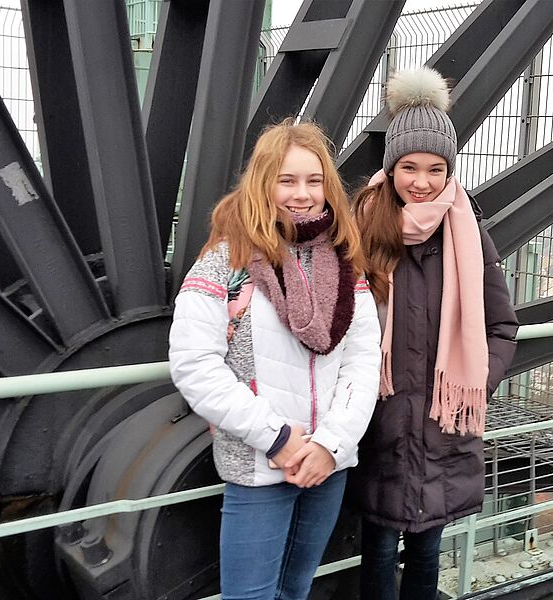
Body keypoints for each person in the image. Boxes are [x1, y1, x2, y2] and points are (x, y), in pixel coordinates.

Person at [168, 119, 381, 600]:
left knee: (296, 590)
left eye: (314, 180)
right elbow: (194, 364)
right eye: (287, 180)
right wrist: (277, 438)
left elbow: (362, 362)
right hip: (258, 463)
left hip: (327, 464)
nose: (302, 194)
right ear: (263, 184)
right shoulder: (227, 261)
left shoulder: (346, 264)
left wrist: (330, 444)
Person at [349, 67, 519, 600]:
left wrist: (471, 386)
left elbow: (502, 325)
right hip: (378, 423)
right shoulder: (360, 229)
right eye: (409, 167)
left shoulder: (468, 234)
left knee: (426, 552)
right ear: (391, 167)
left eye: (435, 169)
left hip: (444, 427)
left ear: (450, 171)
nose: (421, 182)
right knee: (377, 549)